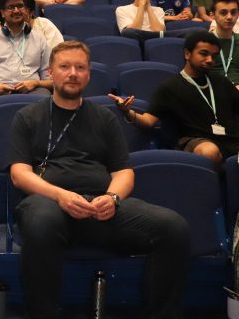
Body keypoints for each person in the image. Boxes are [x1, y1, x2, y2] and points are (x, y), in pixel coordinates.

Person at [10, 40, 190, 319]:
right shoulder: (27, 116)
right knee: (41, 222)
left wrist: (113, 198)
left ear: (89, 74)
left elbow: (123, 172)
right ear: (50, 73)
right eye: (65, 67)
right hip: (49, 204)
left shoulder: (104, 118)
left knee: (174, 227)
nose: (73, 73)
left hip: (100, 207)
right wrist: (60, 195)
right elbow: (19, 174)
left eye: (80, 67)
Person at [112, 30, 239, 163]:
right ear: (187, 54)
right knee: (209, 151)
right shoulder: (171, 86)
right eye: (204, 54)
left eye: (214, 56)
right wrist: (128, 112)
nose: (210, 60)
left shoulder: (221, 82)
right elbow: (148, 121)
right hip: (195, 141)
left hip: (230, 139)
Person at [209, 0, 239, 86]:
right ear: (212, 15)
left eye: (233, 12)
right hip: (213, 90)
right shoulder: (203, 42)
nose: (229, 17)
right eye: (223, 13)